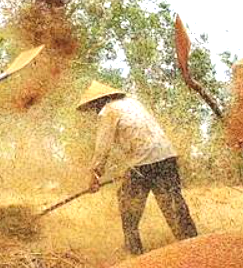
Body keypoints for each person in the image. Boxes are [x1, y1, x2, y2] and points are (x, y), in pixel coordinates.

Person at [78, 81, 198, 255]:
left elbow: (102, 147)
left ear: (99, 101)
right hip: (166, 155)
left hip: (144, 162)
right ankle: (195, 246)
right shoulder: (132, 102)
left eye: (92, 106)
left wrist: (95, 174)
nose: (93, 111)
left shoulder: (108, 111)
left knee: (127, 204)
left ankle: (133, 251)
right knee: (173, 204)